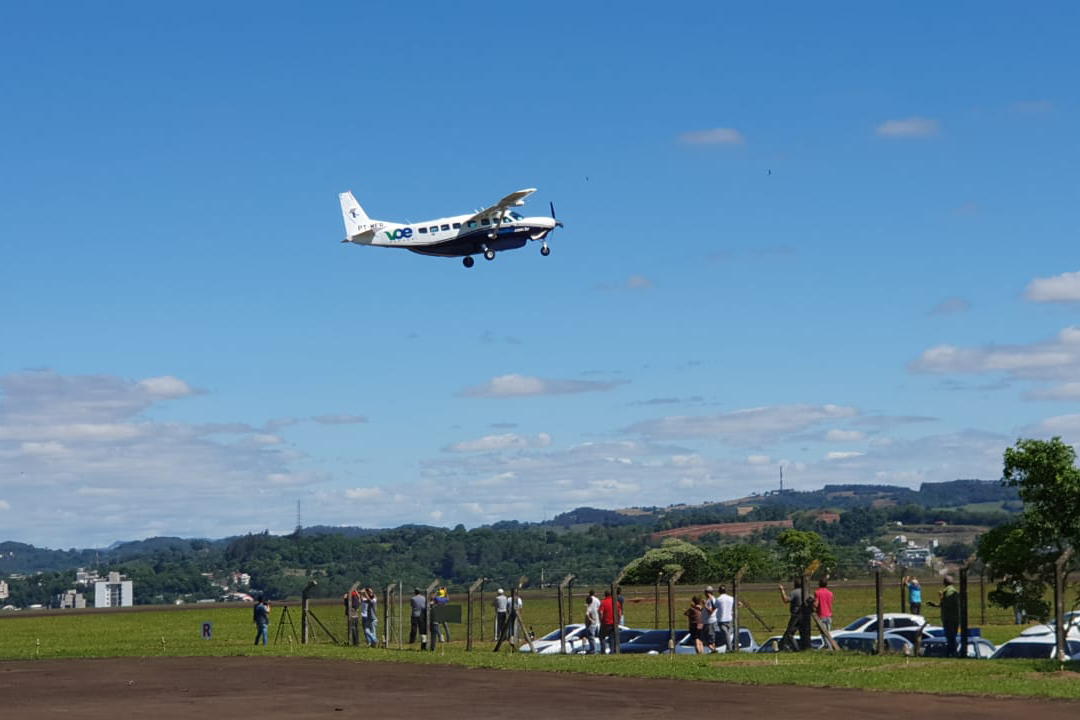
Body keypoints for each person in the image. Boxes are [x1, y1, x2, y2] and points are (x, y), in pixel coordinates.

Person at [929, 575, 961, 657]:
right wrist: (936, 605)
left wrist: (941, 597)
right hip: (956, 617)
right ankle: (952, 651)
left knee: (950, 636)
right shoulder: (955, 591)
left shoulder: (947, 592)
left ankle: (951, 652)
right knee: (953, 635)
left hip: (948, 618)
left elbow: (945, 604)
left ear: (944, 582)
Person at [778, 579, 811, 651]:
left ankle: (796, 648)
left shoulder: (794, 592)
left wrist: (782, 590)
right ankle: (805, 648)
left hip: (796, 615)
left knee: (790, 633)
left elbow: (786, 600)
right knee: (803, 633)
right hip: (805, 615)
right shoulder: (806, 592)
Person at [598, 589, 622, 654]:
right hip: (614, 623)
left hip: (605, 622)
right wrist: (618, 620)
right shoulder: (616, 602)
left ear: (605, 595)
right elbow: (619, 612)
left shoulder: (603, 602)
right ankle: (612, 651)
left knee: (602, 637)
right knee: (612, 638)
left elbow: (600, 612)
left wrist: (601, 620)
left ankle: (603, 651)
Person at [716, 584, 736, 652]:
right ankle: (729, 648)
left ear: (719, 591)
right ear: (726, 590)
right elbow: (738, 604)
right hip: (729, 618)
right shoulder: (731, 598)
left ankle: (730, 649)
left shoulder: (718, 599)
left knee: (726, 634)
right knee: (728, 633)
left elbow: (714, 607)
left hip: (721, 619)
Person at [702, 586, 719, 652]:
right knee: (710, 638)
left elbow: (711, 611)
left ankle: (714, 650)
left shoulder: (712, 600)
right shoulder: (709, 600)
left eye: (705, 592)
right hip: (707, 622)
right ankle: (713, 650)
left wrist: (704, 605)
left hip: (710, 622)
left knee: (709, 639)